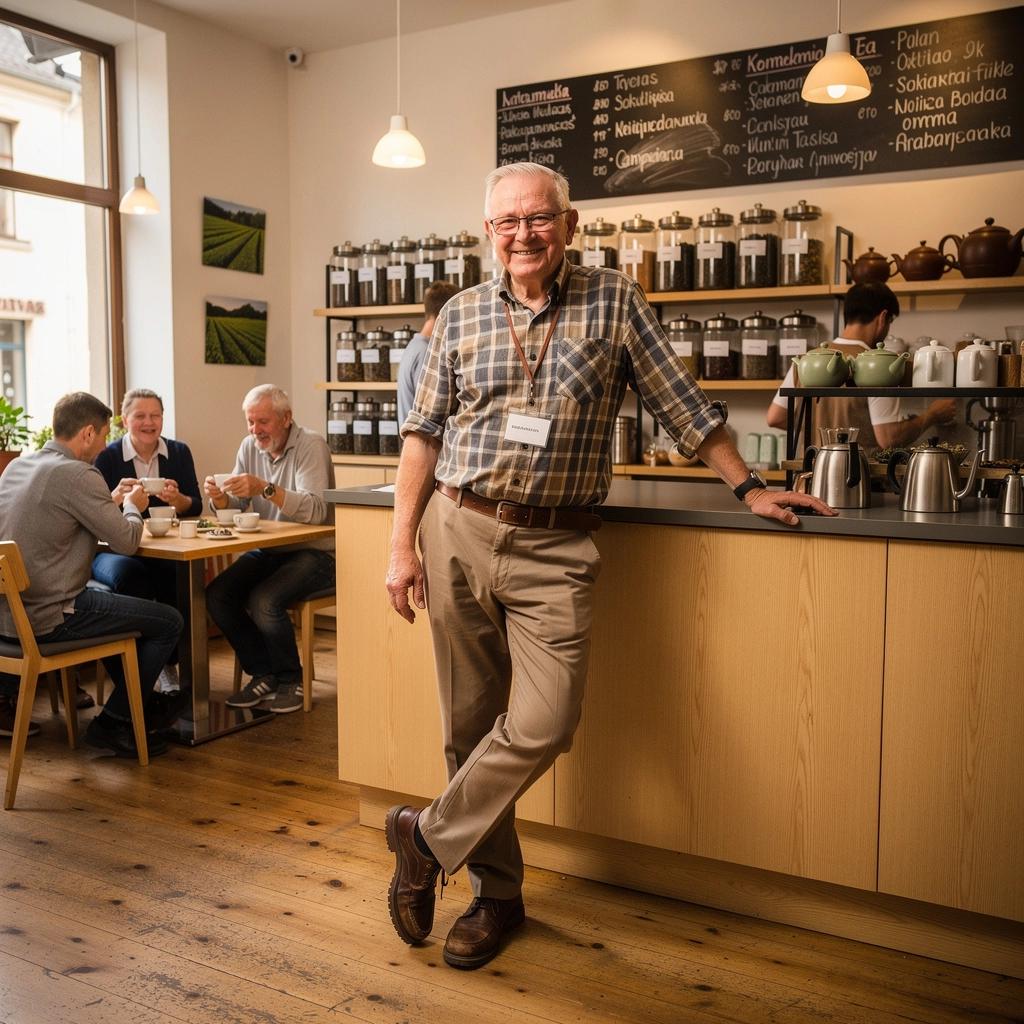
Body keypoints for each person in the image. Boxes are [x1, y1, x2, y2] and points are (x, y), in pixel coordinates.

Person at [382, 162, 834, 971]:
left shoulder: (615, 300)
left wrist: (751, 486)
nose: (523, 235)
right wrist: (400, 545)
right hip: (458, 527)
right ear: (489, 232)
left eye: (538, 218)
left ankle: (425, 838)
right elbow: (423, 434)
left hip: (556, 544)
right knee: (468, 727)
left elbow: (682, 404)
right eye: (507, 222)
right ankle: (497, 895)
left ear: (570, 222)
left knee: (546, 722)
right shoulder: (460, 312)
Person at [0, 392, 183, 757]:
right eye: (102, 435)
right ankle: (114, 722)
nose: (103, 445)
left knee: (117, 609)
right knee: (168, 622)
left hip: (8, 618)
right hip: (51, 617)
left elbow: (62, 516)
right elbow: (127, 541)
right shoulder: (79, 473)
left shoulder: (18, 466)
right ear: (87, 433)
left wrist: (111, 503)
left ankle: (140, 709)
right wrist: (132, 506)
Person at [204, 385, 334, 715]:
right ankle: (264, 673)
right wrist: (220, 499)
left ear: (286, 418)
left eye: (262, 421)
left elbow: (316, 511)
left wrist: (265, 488)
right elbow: (236, 505)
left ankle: (291, 678)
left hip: (317, 552)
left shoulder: (311, 445)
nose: (255, 430)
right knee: (217, 595)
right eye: (250, 422)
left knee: (264, 600)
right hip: (271, 550)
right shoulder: (249, 446)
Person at [92, 387, 202, 692]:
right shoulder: (107, 456)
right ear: (124, 419)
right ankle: (142, 668)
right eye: (140, 415)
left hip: (163, 547)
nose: (149, 422)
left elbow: (195, 505)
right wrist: (118, 499)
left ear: (163, 418)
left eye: (155, 415)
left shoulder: (179, 452)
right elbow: (94, 513)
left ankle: (167, 664)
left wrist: (178, 500)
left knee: (179, 576)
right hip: (113, 549)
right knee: (131, 575)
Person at [767, 282, 958, 449]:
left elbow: (775, 417)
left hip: (808, 475)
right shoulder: (877, 366)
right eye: (890, 321)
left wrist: (821, 429)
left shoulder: (805, 360)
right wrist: (931, 415)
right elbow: (889, 438)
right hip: (856, 476)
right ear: (883, 318)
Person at [397, 281, 459, 426]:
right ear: (446, 314)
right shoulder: (428, 352)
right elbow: (430, 414)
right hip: (422, 439)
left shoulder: (414, 345)